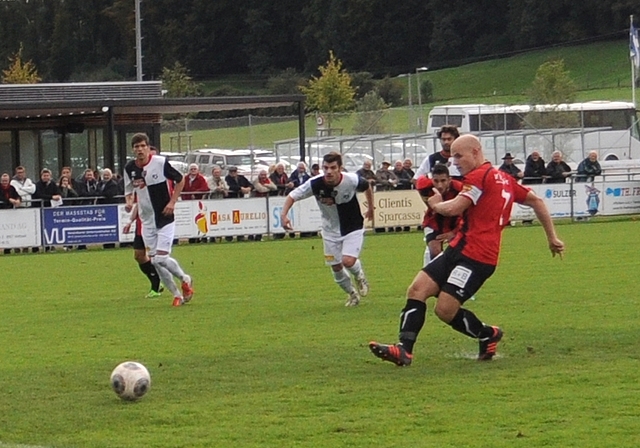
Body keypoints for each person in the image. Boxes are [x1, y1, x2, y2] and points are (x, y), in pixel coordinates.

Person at [369, 134, 565, 366]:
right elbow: (537, 201)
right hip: (459, 247)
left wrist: (433, 203)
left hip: (478, 258)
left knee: (445, 310)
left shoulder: (478, 176)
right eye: (452, 157)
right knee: (417, 289)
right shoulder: (504, 178)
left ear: (475, 151)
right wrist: (551, 237)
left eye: (459, 156)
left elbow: (454, 208)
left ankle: (487, 334)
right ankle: (403, 350)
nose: (455, 162)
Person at [280, 151, 374, 307]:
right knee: (336, 267)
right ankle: (352, 294)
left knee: (348, 261)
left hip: (353, 227)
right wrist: (284, 215)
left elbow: (367, 187)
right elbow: (292, 196)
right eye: (325, 168)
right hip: (330, 230)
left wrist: (371, 207)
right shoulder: (315, 183)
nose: (328, 171)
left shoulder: (351, 180)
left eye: (332, 167)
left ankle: (360, 276)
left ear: (340, 168)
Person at [123, 133, 194, 307]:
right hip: (146, 221)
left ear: (148, 147)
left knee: (161, 259)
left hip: (164, 217)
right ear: (133, 149)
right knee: (154, 261)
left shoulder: (160, 163)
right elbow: (128, 188)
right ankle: (177, 294)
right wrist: (129, 200)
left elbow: (180, 179)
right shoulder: (130, 168)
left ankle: (185, 279)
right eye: (136, 147)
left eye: (142, 146)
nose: (140, 149)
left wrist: (172, 202)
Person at [415, 164, 464, 266]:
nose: (439, 185)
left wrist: (454, 232)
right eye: (436, 181)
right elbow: (418, 181)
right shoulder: (424, 186)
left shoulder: (459, 189)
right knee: (435, 251)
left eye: (443, 181)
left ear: (449, 179)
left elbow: (465, 214)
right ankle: (434, 276)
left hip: (455, 223)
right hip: (433, 222)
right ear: (431, 179)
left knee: (459, 255)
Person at [123, 203, 164, 298]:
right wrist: (129, 222)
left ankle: (155, 287)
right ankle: (158, 280)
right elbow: (138, 205)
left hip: (152, 228)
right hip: (140, 227)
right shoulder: (140, 191)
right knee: (139, 256)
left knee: (154, 257)